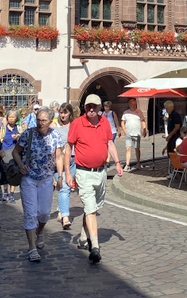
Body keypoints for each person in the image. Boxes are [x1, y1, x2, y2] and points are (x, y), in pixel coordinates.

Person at [64, 94, 123, 264]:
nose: (91, 109)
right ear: (85, 107)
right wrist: (68, 173)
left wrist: (117, 163)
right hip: (83, 173)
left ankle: (83, 238)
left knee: (93, 208)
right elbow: (68, 148)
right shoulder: (77, 124)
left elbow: (110, 144)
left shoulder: (104, 122)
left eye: (94, 107)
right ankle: (95, 247)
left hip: (101, 172)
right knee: (90, 208)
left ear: (99, 108)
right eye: (88, 106)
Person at [14, 106, 64, 262]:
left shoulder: (55, 136)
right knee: (30, 213)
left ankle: (40, 232)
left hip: (46, 179)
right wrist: (20, 165)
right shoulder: (28, 134)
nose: (40, 123)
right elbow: (16, 151)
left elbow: (59, 157)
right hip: (28, 178)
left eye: (43, 120)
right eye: (38, 120)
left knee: (44, 213)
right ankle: (32, 248)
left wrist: (60, 176)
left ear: (50, 121)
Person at [54, 103, 76, 229]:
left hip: (71, 160)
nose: (63, 115)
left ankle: (62, 211)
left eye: (65, 112)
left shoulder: (74, 126)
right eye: (61, 112)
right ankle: (65, 216)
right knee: (63, 187)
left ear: (70, 114)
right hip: (58, 161)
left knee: (65, 187)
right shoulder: (54, 127)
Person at [0, 110, 21, 203]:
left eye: (13, 117)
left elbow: (22, 141)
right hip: (5, 153)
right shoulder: (4, 128)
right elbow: (0, 139)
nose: (11, 119)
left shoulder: (18, 128)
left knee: (13, 173)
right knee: (5, 173)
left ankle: (12, 194)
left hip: (14, 154)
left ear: (16, 118)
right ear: (7, 118)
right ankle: (5, 193)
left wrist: (17, 138)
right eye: (10, 117)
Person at [121, 97, 147, 171]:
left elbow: (143, 120)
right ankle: (127, 164)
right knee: (128, 148)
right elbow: (122, 122)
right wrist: (125, 131)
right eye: (132, 104)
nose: (134, 105)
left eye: (135, 104)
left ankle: (138, 163)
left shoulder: (139, 112)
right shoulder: (126, 112)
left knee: (137, 148)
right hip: (128, 133)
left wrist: (144, 129)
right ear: (129, 104)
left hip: (137, 133)